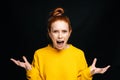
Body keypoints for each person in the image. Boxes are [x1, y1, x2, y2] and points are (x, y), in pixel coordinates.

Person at [10, 7, 110, 80]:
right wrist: (30, 71)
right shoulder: (39, 54)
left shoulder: (79, 54)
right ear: (49, 33)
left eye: (64, 31)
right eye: (55, 31)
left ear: (70, 32)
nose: (60, 36)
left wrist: (88, 73)